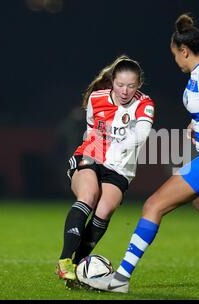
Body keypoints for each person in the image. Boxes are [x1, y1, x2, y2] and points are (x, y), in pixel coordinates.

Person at [83, 13, 199, 293]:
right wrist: (195, 123)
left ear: (184, 51)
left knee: (153, 206)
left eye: (175, 55)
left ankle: (120, 280)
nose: (175, 61)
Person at [55, 56, 156, 284]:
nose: (124, 91)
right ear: (112, 81)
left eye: (131, 86)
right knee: (88, 196)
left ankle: (79, 267)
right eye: (120, 84)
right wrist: (93, 153)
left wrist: (117, 150)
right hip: (92, 156)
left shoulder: (144, 103)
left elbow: (141, 134)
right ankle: (64, 261)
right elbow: (91, 130)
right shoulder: (97, 98)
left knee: (105, 209)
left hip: (120, 167)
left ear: (138, 84)